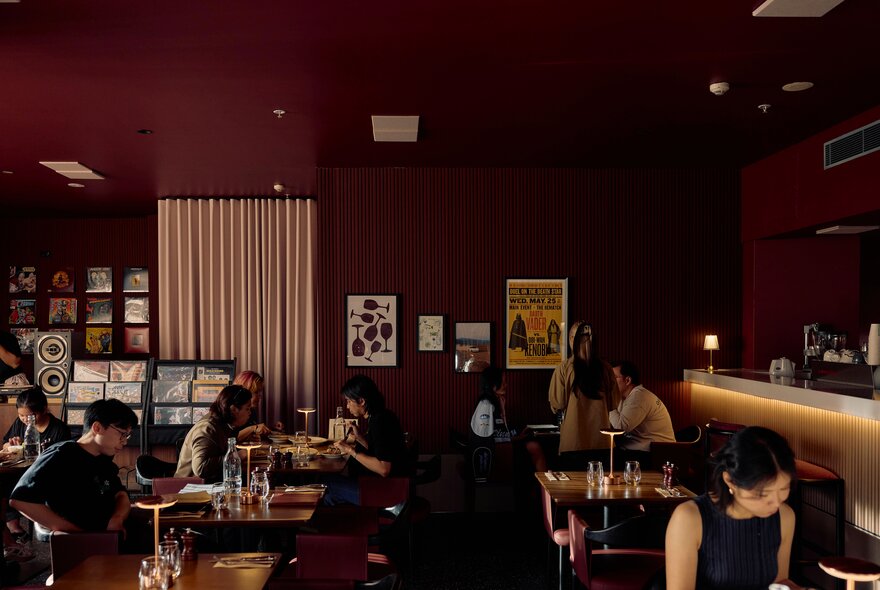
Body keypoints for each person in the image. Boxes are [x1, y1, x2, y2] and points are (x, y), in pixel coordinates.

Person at [665, 426, 797, 590]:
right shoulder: (690, 519)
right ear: (730, 481)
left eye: (784, 489)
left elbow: (779, 583)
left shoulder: (784, 516)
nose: (776, 502)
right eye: (762, 494)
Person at [9, 399, 138, 535]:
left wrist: (117, 519)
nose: (124, 441)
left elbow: (120, 493)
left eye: (127, 435)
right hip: (91, 540)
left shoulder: (103, 457)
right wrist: (74, 532)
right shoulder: (62, 455)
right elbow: (19, 500)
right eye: (122, 434)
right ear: (97, 428)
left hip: (114, 531)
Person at [548, 322, 620, 470]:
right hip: (603, 442)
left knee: (574, 489)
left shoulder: (564, 368)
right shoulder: (606, 368)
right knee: (601, 490)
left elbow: (557, 404)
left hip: (573, 442)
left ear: (571, 340)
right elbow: (614, 404)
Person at [326, 375, 408, 505]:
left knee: (326, 484)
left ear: (361, 401)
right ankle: (356, 522)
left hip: (388, 492)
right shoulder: (381, 415)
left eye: (348, 401)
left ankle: (365, 520)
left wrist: (350, 450)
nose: (347, 406)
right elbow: (381, 451)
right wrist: (360, 438)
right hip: (389, 486)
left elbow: (384, 469)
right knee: (329, 494)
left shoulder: (379, 421)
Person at [469, 366, 546, 474]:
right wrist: (515, 438)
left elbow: (501, 430)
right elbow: (486, 439)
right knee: (534, 447)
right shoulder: (486, 405)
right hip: (495, 453)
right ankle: (544, 488)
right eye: (504, 382)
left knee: (534, 444)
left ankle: (538, 487)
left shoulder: (498, 401)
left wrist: (517, 435)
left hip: (503, 448)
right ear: (494, 386)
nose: (506, 385)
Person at [175, 384, 253, 482]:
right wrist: (237, 456)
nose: (250, 412)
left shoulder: (227, 424)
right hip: (191, 489)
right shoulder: (208, 428)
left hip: (213, 483)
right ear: (233, 410)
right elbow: (200, 469)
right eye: (247, 408)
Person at [608, 360, 675, 466]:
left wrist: (608, 401)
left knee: (602, 458)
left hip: (656, 454)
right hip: (642, 451)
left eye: (614, 378)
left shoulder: (638, 397)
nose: (610, 381)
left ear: (628, 380)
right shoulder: (624, 397)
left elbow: (620, 427)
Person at [231, 370, 281, 442]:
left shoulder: (252, 410)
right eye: (256, 392)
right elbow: (230, 439)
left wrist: (271, 428)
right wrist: (253, 428)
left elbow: (254, 431)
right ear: (244, 391)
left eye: (260, 392)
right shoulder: (232, 411)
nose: (260, 396)